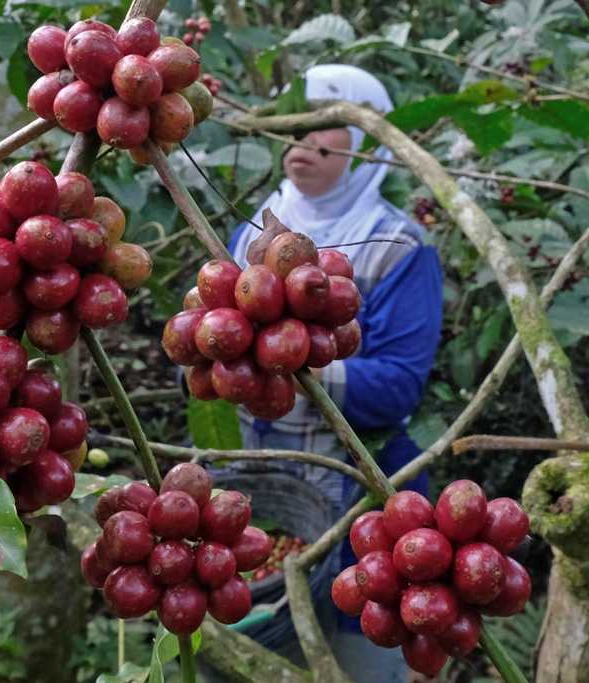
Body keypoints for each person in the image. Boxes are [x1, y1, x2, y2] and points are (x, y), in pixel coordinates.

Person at [226, 64, 443, 682]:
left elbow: (399, 384)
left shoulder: (397, 244)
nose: (304, 150)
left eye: (328, 133)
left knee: (356, 657)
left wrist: (292, 364)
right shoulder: (253, 232)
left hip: (359, 499)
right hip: (267, 494)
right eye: (297, 131)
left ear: (368, 147)